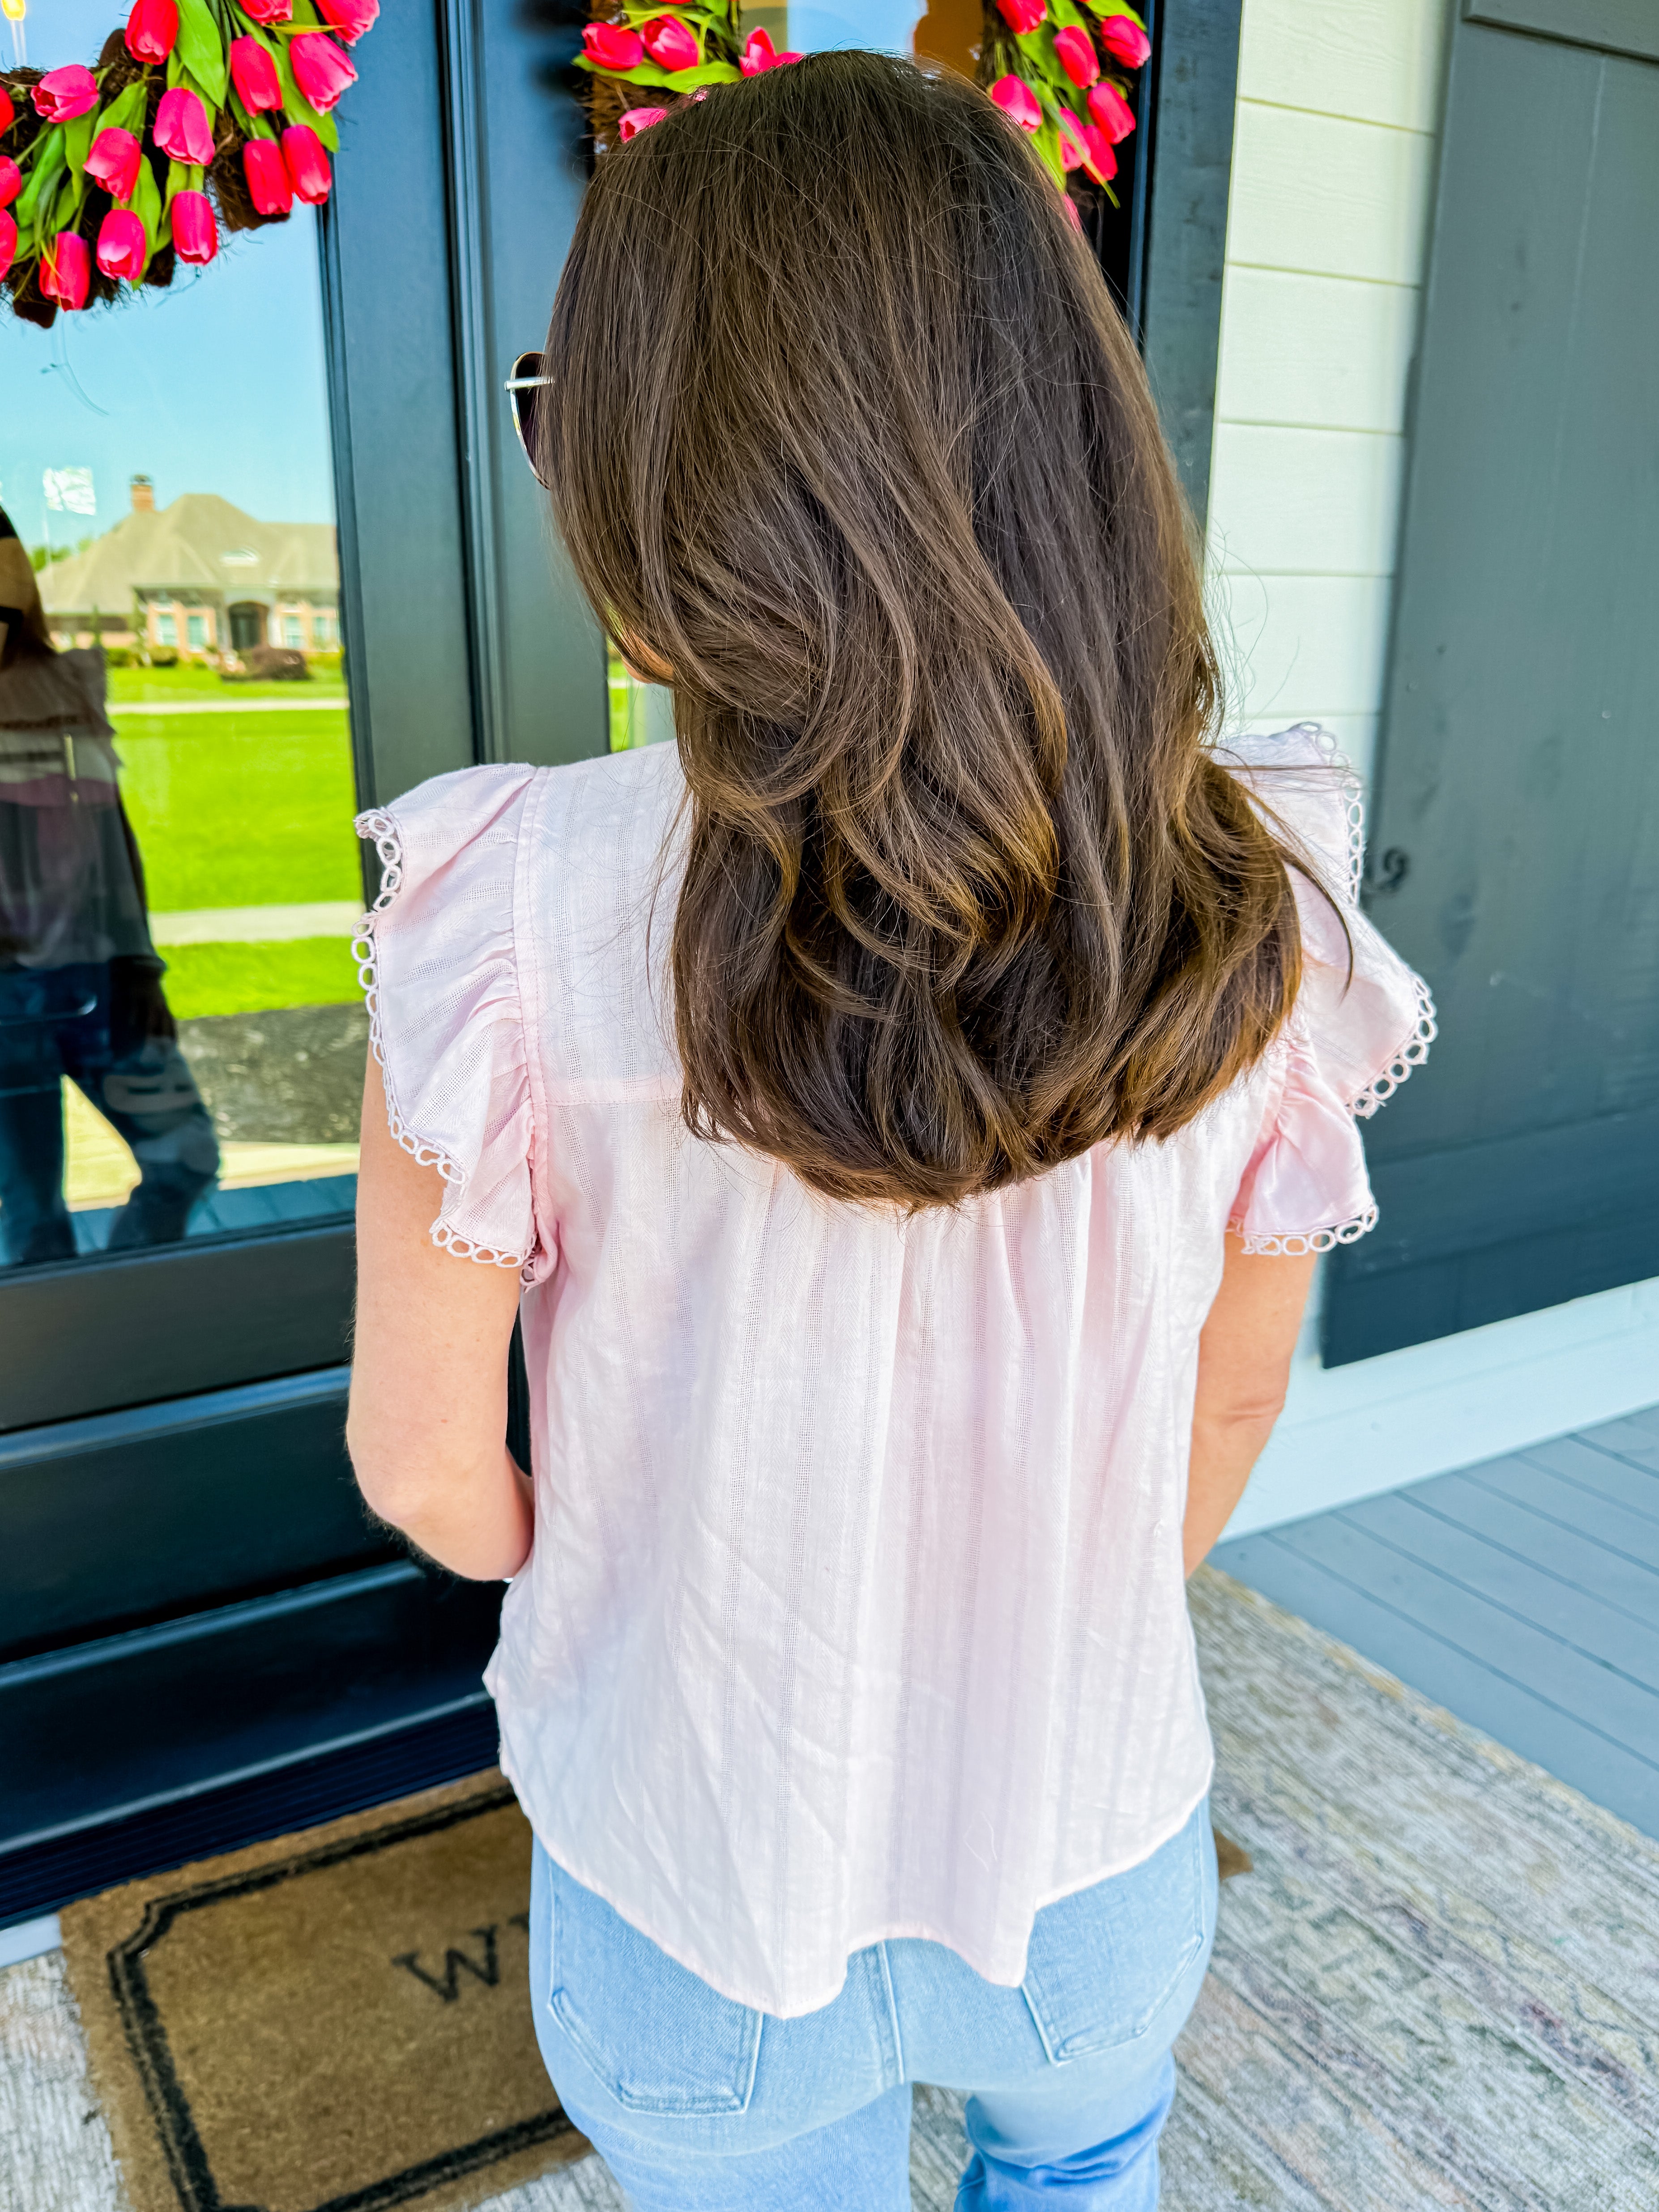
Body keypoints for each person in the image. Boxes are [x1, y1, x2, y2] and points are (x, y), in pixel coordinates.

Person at [347, 54, 1433, 2210]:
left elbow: (427, 1470)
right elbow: (1227, 1403)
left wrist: (658, 1569)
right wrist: (1039, 1606)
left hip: (693, 1873)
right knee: (1078, 2176)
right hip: (1095, 1844)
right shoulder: (1249, 890)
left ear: (663, 484)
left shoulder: (508, 912)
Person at [0, 506, 218, 1266]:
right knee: (29, 1222)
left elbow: (112, 844)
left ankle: (126, 1310)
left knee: (186, 1158)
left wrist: (140, 966)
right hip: (5, 1005)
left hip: (99, 981)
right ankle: (76, 1367)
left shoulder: (64, 689)